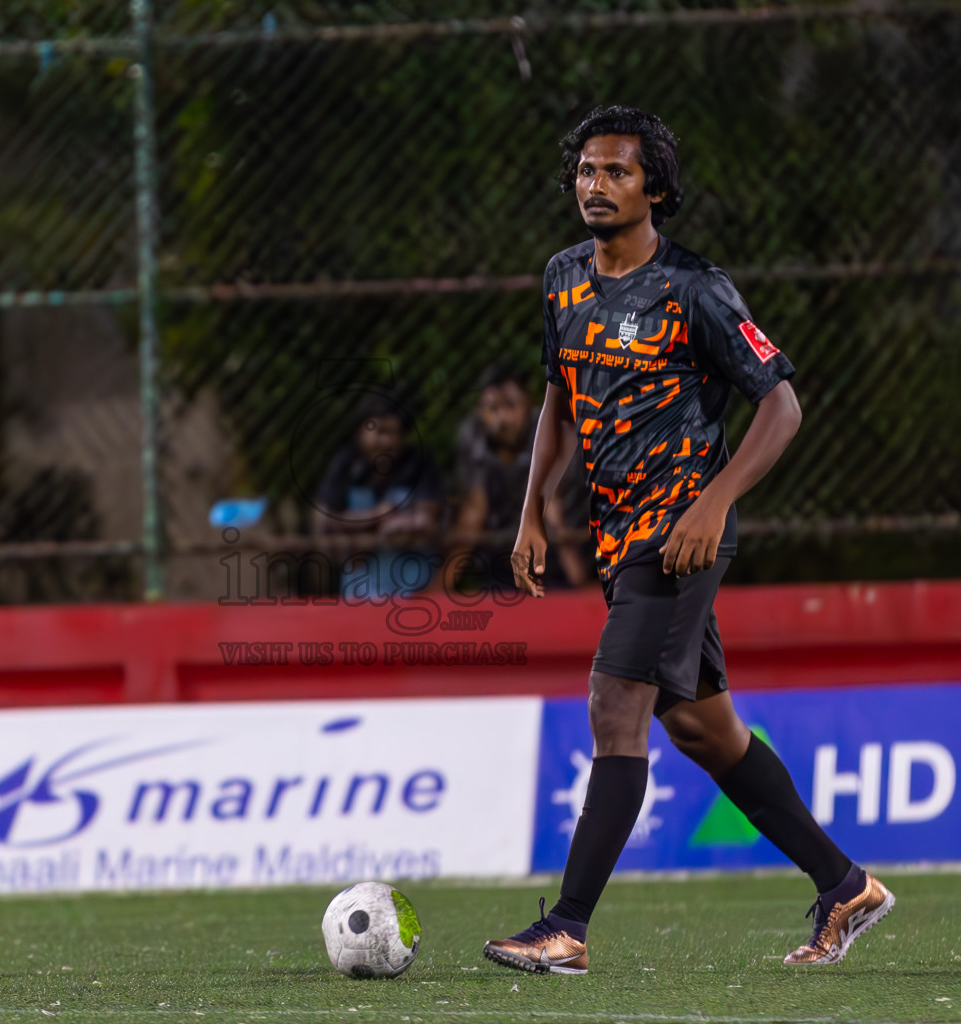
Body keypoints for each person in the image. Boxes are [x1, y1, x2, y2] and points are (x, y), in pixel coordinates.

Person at [482, 106, 893, 975]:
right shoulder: (561, 279)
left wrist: (714, 503)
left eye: (618, 172)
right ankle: (843, 882)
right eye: (587, 171)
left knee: (613, 705)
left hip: (677, 540)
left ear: (656, 188)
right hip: (614, 536)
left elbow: (781, 406)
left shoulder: (694, 288)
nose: (596, 185)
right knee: (705, 730)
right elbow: (560, 395)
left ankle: (568, 928)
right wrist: (529, 510)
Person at [446, 364, 592, 594]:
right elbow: (474, 511)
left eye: (510, 406)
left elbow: (554, 508)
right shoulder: (474, 438)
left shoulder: (553, 432)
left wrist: (578, 578)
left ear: (529, 404)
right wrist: (441, 586)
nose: (501, 418)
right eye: (491, 408)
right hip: (499, 555)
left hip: (556, 554)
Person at [312, 393, 442, 599]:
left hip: (413, 592)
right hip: (358, 594)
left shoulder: (418, 462)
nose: (387, 441)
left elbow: (426, 518)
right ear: (359, 432)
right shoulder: (345, 463)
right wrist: (378, 516)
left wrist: (360, 529)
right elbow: (324, 521)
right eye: (380, 431)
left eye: (394, 433)